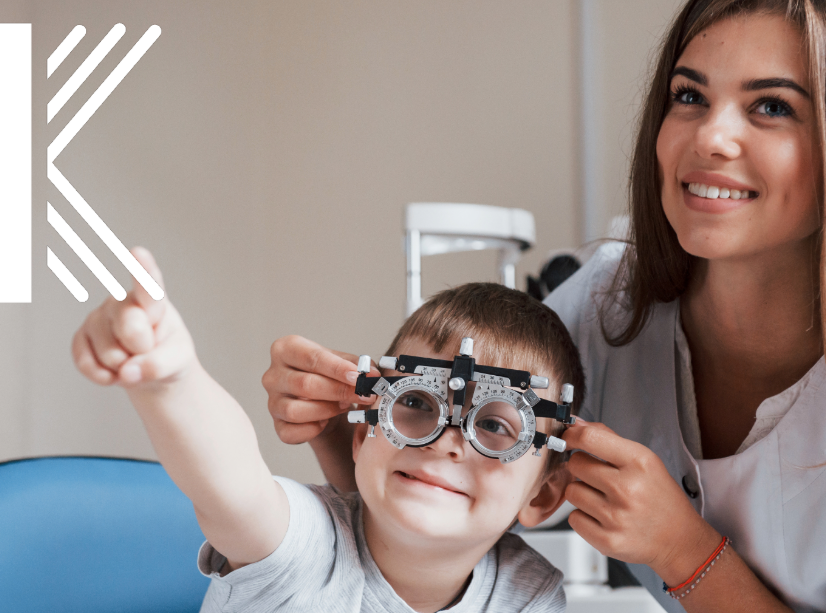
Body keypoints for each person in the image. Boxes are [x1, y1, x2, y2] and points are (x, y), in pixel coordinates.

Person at [262, 0, 826, 611]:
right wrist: (346, 437)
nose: (709, 136)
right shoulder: (607, 310)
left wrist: (687, 554)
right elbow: (463, 488)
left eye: (771, 107)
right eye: (689, 95)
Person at [72, 255, 584, 613]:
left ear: (541, 494)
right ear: (361, 436)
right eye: (415, 402)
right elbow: (233, 487)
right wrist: (172, 379)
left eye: (494, 426)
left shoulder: (526, 595)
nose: (446, 440)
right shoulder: (308, 547)